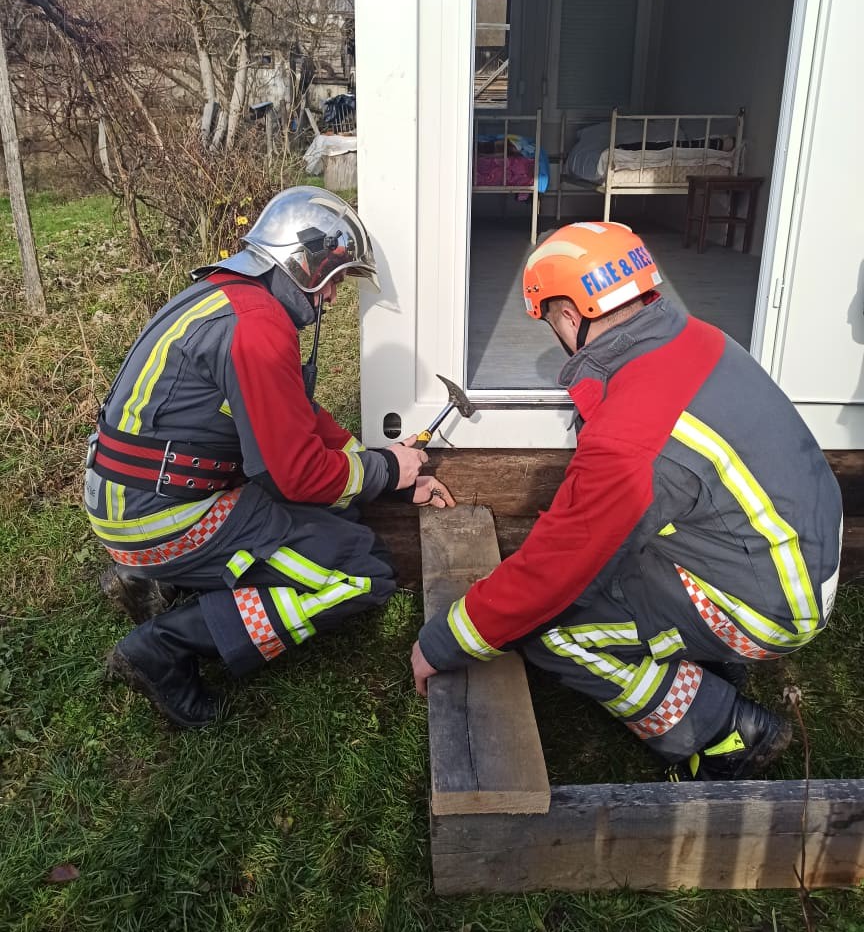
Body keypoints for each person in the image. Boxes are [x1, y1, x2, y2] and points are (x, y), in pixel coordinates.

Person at [411, 221, 842, 780]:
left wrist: (444, 641)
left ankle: (723, 730)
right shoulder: (695, 337)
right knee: (606, 572)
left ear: (569, 314)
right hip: (793, 548)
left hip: (774, 602)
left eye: (548, 321)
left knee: (550, 628)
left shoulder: (633, 432)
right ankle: (713, 657)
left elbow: (553, 572)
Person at [85, 185, 454, 729]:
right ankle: (163, 648)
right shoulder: (259, 330)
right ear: (302, 264)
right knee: (361, 572)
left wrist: (387, 470)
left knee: (341, 514)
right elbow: (297, 475)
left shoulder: (229, 294)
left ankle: (162, 579)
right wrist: (384, 469)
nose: (332, 298)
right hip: (161, 514)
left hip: (137, 493)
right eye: (334, 281)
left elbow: (298, 416)